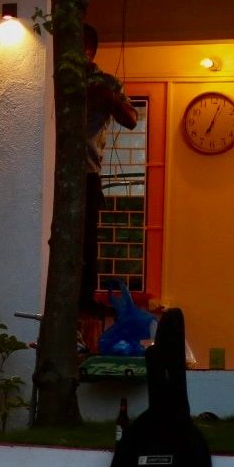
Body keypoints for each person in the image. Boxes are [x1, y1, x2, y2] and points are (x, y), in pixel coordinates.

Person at [82, 24, 138, 319]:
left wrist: (107, 97)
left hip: (87, 171)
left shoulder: (106, 83)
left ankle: (84, 297)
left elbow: (131, 119)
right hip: (48, 173)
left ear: (88, 51)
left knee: (86, 242)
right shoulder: (50, 78)